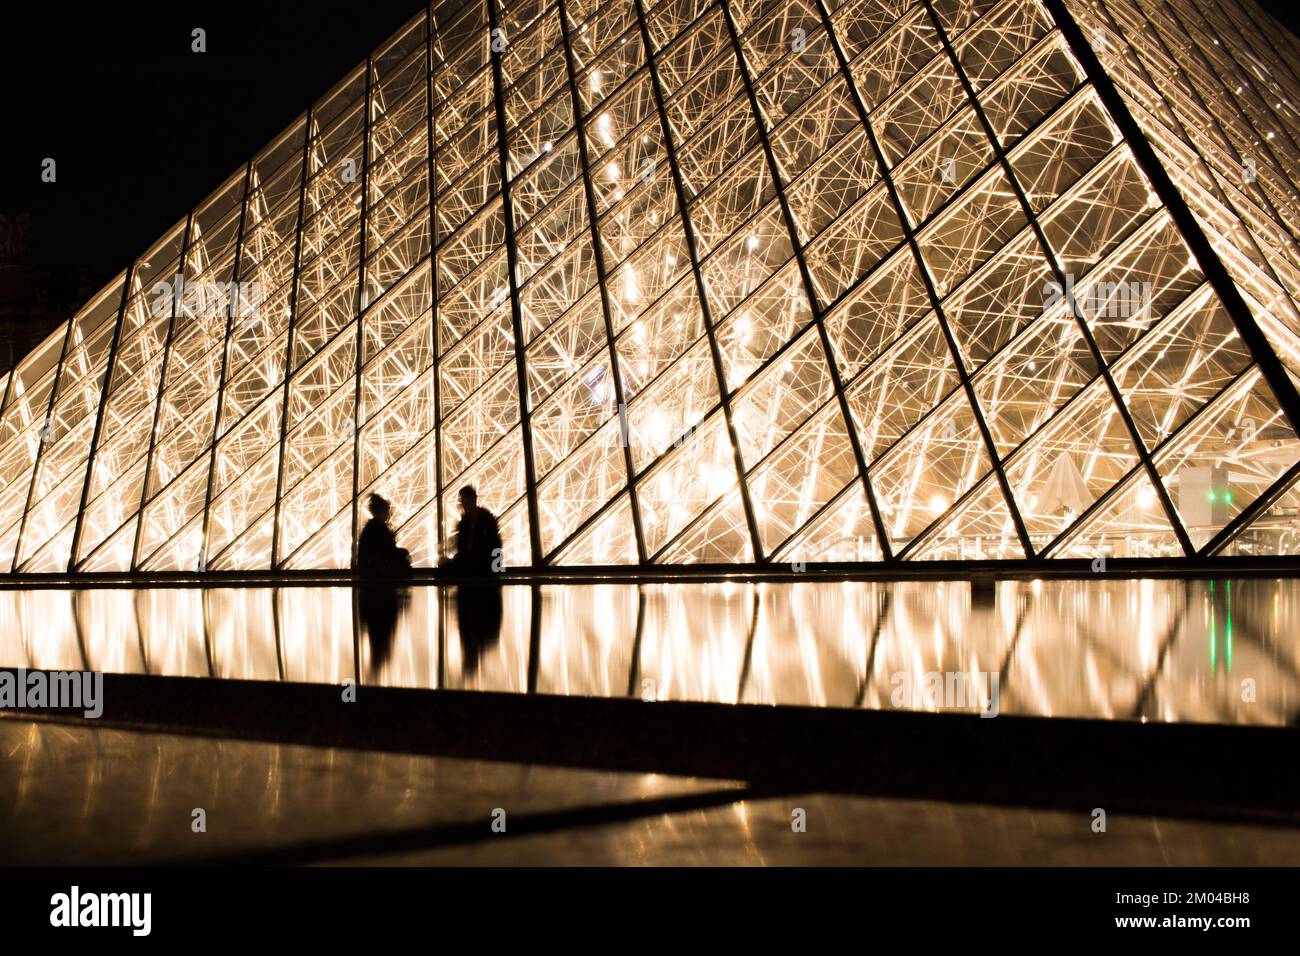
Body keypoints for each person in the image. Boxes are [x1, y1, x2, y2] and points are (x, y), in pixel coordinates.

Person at [445, 485, 502, 576]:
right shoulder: (483, 517)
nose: (461, 503)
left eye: (463, 500)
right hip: (477, 563)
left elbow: (494, 543)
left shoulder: (482, 519)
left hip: (481, 563)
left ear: (472, 499)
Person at [357, 494, 411, 577]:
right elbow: (386, 549)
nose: (389, 514)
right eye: (387, 511)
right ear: (382, 511)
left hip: (369, 566)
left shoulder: (371, 526)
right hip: (375, 568)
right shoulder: (379, 527)